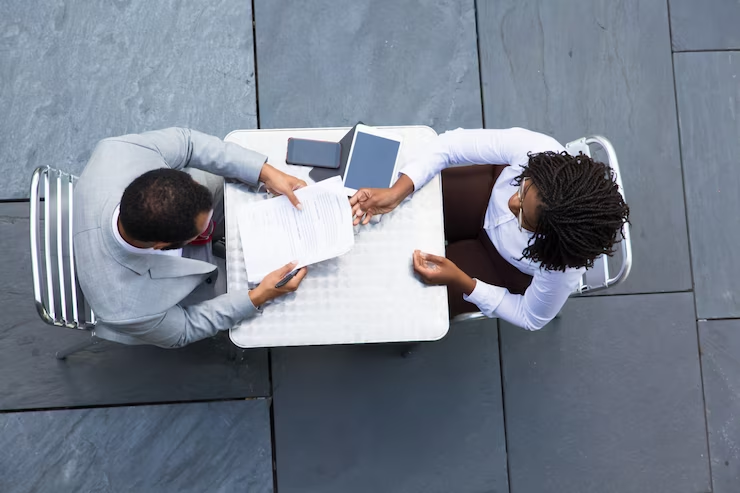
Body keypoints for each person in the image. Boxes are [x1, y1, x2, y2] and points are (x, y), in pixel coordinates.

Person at [350, 127, 630, 330]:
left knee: (408, 292)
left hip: (499, 266)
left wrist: (464, 282)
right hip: (483, 195)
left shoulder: (562, 267)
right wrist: (398, 191)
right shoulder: (539, 149)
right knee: (408, 199)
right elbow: (450, 146)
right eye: (522, 188)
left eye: (524, 219)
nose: (512, 202)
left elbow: (530, 317)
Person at [73, 127, 307, 348]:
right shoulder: (127, 310)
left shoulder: (118, 151)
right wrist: (259, 295)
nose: (210, 226)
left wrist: (265, 173)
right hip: (184, 287)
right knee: (281, 295)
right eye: (203, 228)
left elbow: (188, 144)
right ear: (162, 245)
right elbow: (185, 329)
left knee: (233, 185)